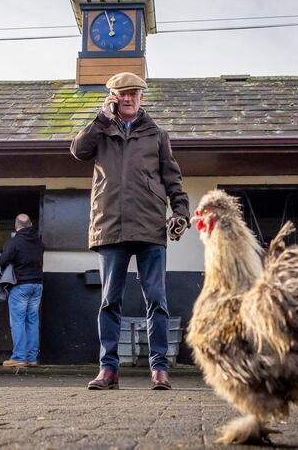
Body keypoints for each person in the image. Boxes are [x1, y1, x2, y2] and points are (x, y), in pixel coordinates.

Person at [70, 71, 190, 391]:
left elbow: (172, 178)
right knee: (110, 301)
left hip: (150, 226)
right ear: (112, 96)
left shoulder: (157, 135)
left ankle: (159, 370)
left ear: (142, 96)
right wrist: (99, 119)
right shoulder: (100, 130)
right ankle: (108, 370)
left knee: (157, 300)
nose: (128, 98)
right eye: (122, 93)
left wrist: (180, 211)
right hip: (110, 226)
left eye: (134, 92)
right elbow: (78, 151)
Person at [0, 213, 45, 368]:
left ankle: (19, 357)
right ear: (31, 225)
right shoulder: (39, 243)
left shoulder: (14, 242)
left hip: (20, 286)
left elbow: (2, 261)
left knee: (18, 321)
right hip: (37, 285)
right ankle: (31, 358)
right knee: (32, 321)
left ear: (16, 225)